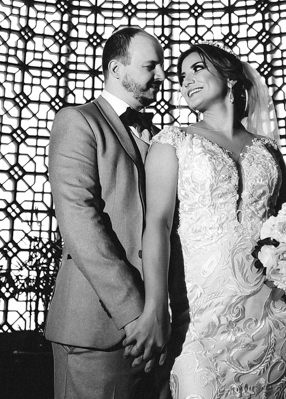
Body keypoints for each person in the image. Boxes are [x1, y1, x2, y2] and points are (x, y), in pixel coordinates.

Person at [137, 43, 286, 399]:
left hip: (274, 316)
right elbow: (157, 226)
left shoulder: (268, 150)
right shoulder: (172, 142)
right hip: (200, 320)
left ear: (230, 78)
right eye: (181, 76)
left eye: (197, 69)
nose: (186, 81)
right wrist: (155, 306)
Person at [45, 27, 169, 399]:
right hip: (97, 329)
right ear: (116, 69)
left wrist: (160, 312)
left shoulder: (161, 137)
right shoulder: (77, 120)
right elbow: (80, 220)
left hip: (158, 329)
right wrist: (134, 312)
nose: (162, 75)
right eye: (151, 66)